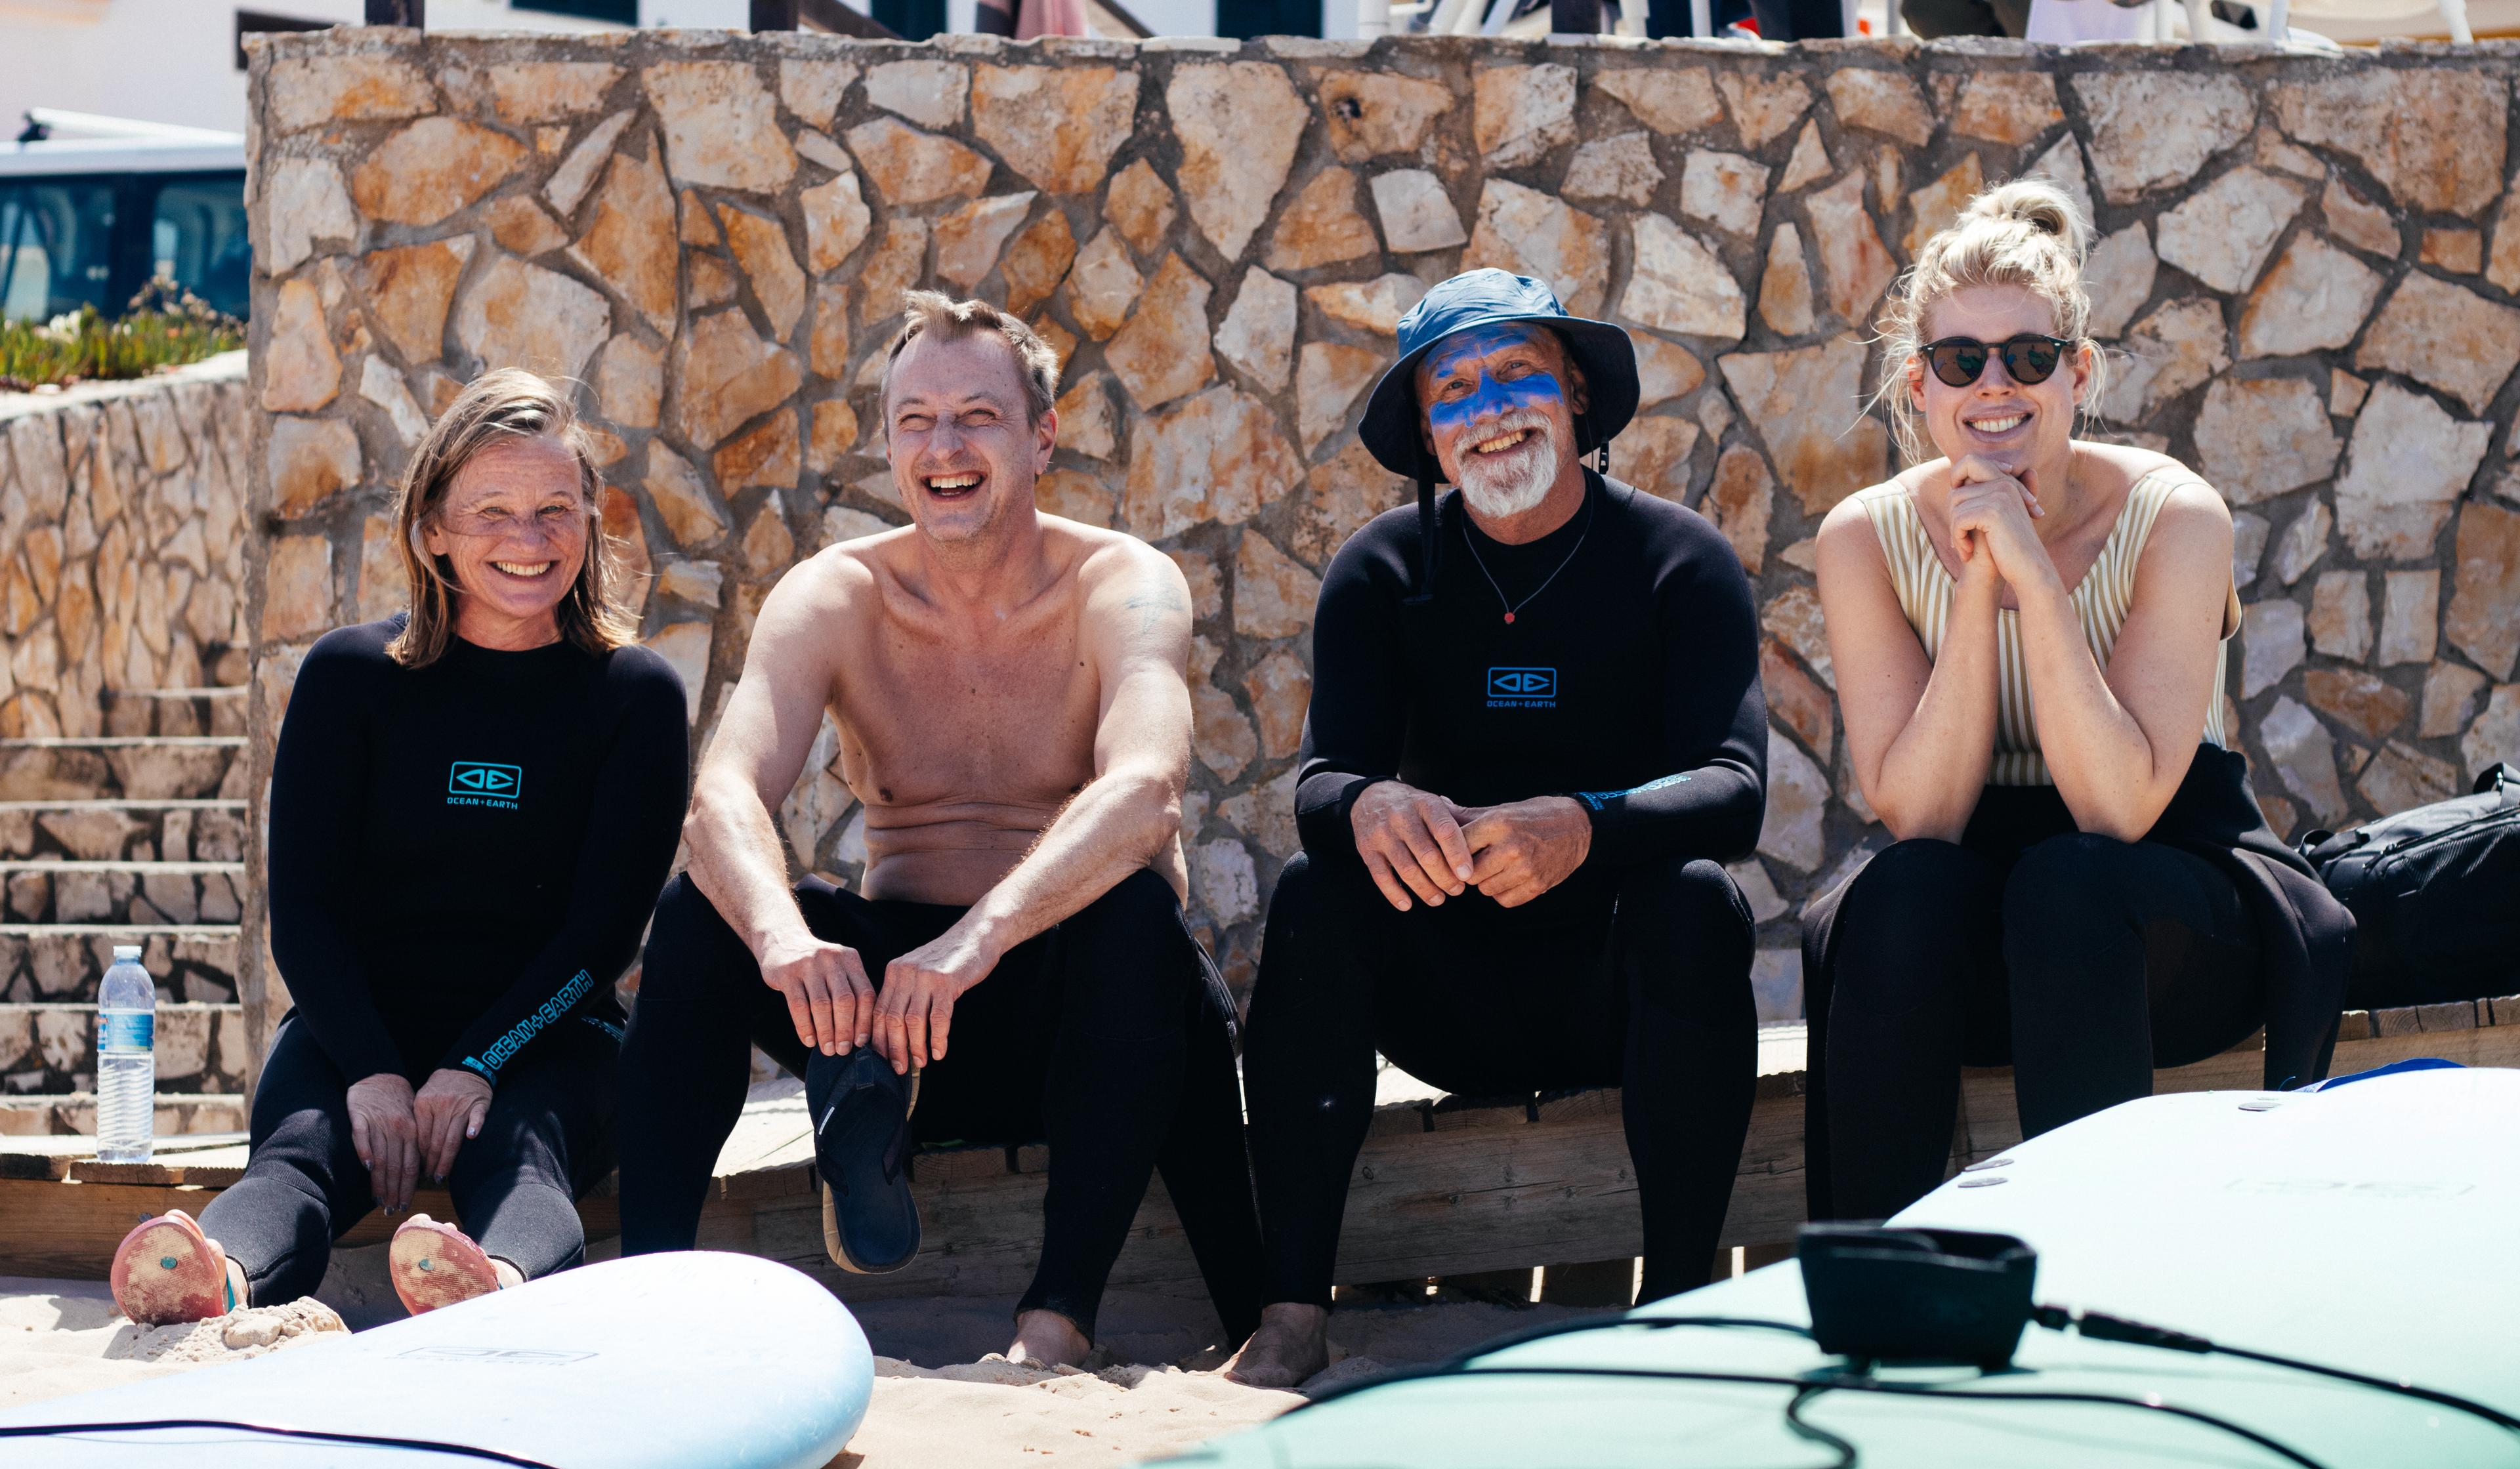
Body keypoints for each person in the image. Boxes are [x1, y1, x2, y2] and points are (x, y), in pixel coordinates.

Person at [612, 293, 1263, 1369]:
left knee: (1140, 913)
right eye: (916, 421)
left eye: (977, 417)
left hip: (1063, 1012)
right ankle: (648, 1300)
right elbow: (719, 797)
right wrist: (784, 941)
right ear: (885, 444)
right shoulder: (835, 593)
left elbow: (1149, 790)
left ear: (1040, 436)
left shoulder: (1122, 582)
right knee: (701, 916)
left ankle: (1052, 1328)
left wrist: (979, 941)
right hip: (890, 1011)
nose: (944, 447)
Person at [1224, 270, 1769, 1390]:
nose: (1491, 408)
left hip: (1613, 993)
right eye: (1454, 390)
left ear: (1573, 393)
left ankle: (1673, 1308)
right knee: (1315, 899)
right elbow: (1324, 778)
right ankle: (1289, 1316)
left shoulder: (1680, 560)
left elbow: (1735, 786)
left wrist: (1584, 825)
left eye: (1518, 371)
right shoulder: (1380, 570)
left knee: (1699, 901)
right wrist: (1372, 803)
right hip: (1445, 996)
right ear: (1429, 435)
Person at [1801, 180, 2352, 1223]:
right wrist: (1977, 580)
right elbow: (1921, 818)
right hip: (1981, 913)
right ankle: (1880, 1282)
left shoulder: (2174, 514)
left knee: (2069, 881)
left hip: (2166, 904)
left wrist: (2033, 573)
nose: (1995, 384)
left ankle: (2092, 1269)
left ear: (2078, 371)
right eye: (1963, 360)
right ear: (1921, 387)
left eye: (2030, 356)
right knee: (1898, 894)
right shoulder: (1864, 537)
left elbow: (2118, 809)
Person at [108, 369, 689, 1325]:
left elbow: (602, 935)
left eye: (555, 509)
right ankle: (215, 1278)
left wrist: (480, 1063)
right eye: (492, 511)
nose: (529, 540)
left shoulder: (634, 696)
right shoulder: (348, 678)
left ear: (590, 521)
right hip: (359, 1026)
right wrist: (374, 1068)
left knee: (523, 1146)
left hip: (551, 1035)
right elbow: (304, 908)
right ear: (432, 530)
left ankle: (491, 1286)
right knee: (304, 1146)